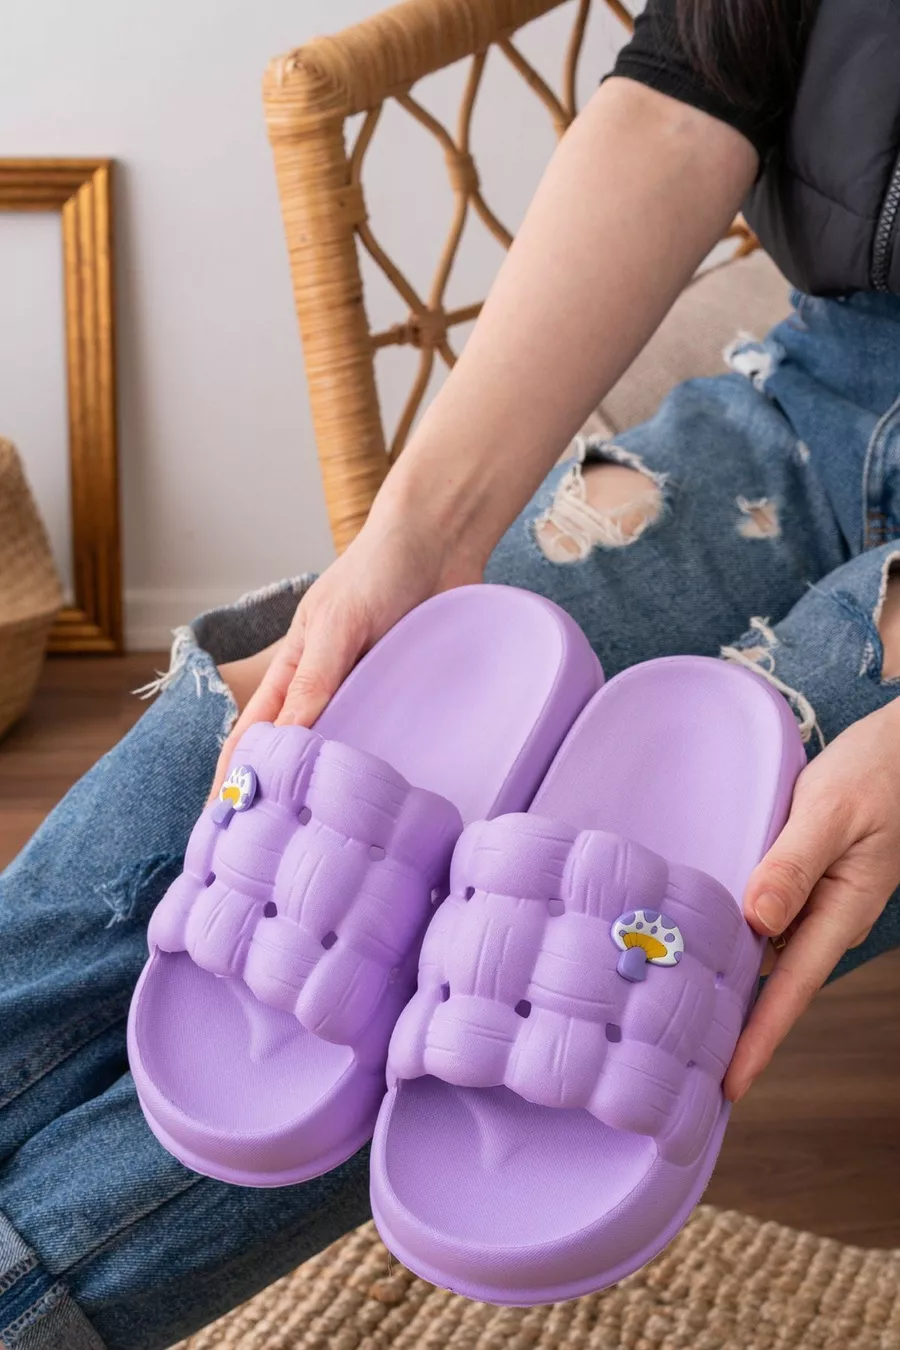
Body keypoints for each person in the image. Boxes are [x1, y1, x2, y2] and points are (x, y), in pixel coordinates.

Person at [2, 1, 899, 1346]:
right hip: (830, 384)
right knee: (308, 699)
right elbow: (687, 96)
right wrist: (419, 531)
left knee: (557, 940)